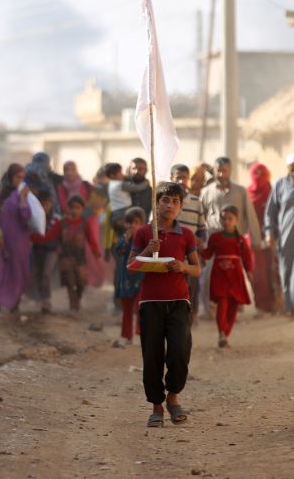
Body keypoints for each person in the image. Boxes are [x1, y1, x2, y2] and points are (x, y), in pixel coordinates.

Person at [128, 181, 201, 427]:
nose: (170, 205)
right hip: (151, 302)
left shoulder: (187, 234)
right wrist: (148, 251)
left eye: (175, 201)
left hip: (179, 301)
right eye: (165, 200)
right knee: (152, 355)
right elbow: (130, 266)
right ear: (156, 203)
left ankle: (173, 396)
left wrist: (182, 266)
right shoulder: (143, 233)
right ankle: (156, 405)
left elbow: (197, 269)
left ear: (181, 207)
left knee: (180, 351)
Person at [200, 157, 263, 316]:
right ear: (214, 171)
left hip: (236, 240)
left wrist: (255, 240)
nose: (221, 173)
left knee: (244, 273)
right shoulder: (206, 192)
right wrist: (199, 239)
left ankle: (255, 306)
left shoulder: (240, 191)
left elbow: (250, 214)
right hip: (214, 239)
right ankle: (209, 309)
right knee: (208, 275)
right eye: (218, 170)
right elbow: (201, 216)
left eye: (225, 170)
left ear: (230, 170)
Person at [36, 195, 102, 311]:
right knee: (70, 283)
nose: (75, 210)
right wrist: (34, 237)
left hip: (80, 259)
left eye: (78, 208)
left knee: (81, 284)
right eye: (72, 208)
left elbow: (91, 240)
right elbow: (50, 235)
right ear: (68, 209)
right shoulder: (62, 223)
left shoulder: (84, 224)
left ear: (82, 209)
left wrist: (96, 252)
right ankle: (73, 306)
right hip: (65, 258)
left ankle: (77, 299)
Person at [201, 204, 253, 347]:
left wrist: (249, 271)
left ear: (236, 220)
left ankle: (226, 334)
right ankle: (221, 334)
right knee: (222, 304)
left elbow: (246, 257)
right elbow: (207, 254)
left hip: (235, 276)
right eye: (224, 219)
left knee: (234, 305)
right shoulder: (215, 238)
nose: (226, 222)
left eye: (230, 219)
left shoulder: (240, 239)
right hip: (220, 276)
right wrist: (198, 248)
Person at [0, 169, 36, 313]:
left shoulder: (27, 195)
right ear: (10, 176)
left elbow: (26, 215)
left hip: (18, 240)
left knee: (18, 272)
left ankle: (14, 302)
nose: (20, 180)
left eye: (23, 177)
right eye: (17, 176)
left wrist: (22, 198)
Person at [171, 163, 206, 322]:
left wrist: (200, 240)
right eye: (177, 177)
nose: (181, 180)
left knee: (189, 289)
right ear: (171, 178)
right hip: (169, 256)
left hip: (189, 256)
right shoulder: (164, 201)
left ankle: (187, 322)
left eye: (184, 177)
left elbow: (202, 228)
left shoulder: (196, 202)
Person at [264, 154, 294, 319]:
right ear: (289, 169)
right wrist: (269, 233)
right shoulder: (280, 185)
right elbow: (271, 212)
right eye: (293, 169)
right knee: (287, 272)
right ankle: (290, 307)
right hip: (287, 238)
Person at [247, 162, 279, 315]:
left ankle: (276, 303)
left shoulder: (273, 191)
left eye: (262, 174)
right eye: (256, 173)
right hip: (254, 240)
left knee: (273, 270)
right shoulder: (247, 193)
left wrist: (272, 234)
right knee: (257, 272)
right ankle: (261, 305)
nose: (259, 177)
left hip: (273, 237)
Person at [112, 207, 145, 348]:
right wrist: (126, 238)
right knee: (127, 308)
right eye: (129, 222)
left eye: (136, 222)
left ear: (142, 224)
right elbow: (118, 250)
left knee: (140, 306)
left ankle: (141, 332)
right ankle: (126, 335)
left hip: (141, 278)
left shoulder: (144, 239)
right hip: (126, 279)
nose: (132, 225)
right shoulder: (124, 238)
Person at [29, 190, 58, 313]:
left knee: (46, 274)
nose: (45, 207)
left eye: (47, 204)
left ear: (51, 204)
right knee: (37, 274)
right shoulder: (33, 218)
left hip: (52, 250)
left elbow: (56, 235)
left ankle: (47, 301)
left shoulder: (56, 219)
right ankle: (38, 300)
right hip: (37, 250)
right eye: (42, 204)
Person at [106, 162, 131, 236]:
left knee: (121, 237)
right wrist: (145, 183)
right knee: (125, 237)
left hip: (116, 214)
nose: (122, 174)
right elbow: (136, 187)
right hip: (122, 214)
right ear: (112, 175)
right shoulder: (119, 184)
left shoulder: (111, 184)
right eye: (120, 172)